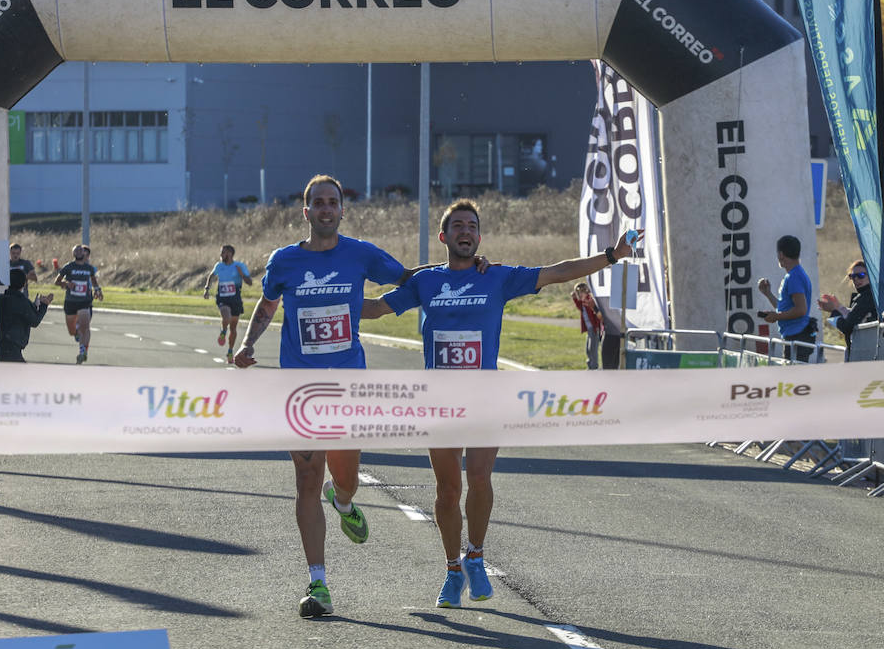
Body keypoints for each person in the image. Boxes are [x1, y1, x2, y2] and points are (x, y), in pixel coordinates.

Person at [362, 198, 637, 608]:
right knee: (446, 488)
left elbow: (559, 272)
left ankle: (475, 554)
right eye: (457, 226)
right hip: (440, 403)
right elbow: (377, 309)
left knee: (479, 479)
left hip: (485, 401)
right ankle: (452, 569)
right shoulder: (427, 283)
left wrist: (611, 255)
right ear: (444, 236)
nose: (465, 231)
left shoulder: (499, 277)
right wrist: (312, 303)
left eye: (472, 225)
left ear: (479, 235)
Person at [233, 174, 439, 619]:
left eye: (333, 202)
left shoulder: (360, 254)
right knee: (307, 478)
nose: (326, 209)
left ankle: (343, 500)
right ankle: (318, 583)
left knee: (344, 478)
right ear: (305, 211)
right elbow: (268, 306)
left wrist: (459, 270)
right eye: (318, 203)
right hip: (300, 390)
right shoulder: (284, 261)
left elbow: (406, 277)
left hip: (348, 388)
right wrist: (247, 343)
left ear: (342, 210)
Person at [757, 235, 818, 363]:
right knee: (793, 380)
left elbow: (801, 310)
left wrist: (776, 317)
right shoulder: (793, 275)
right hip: (795, 336)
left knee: (795, 380)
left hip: (797, 337)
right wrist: (768, 293)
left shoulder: (794, 277)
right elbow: (785, 308)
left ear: (781, 254)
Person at [202, 244, 252, 363]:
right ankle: (223, 331)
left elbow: (249, 282)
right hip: (222, 298)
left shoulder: (239, 266)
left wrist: (242, 275)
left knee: (233, 328)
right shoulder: (219, 266)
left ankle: (230, 351)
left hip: (235, 299)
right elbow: (211, 276)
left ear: (230, 253)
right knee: (226, 316)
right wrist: (207, 289)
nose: (221, 255)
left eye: (223, 252)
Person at [55, 244, 102, 364]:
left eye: (81, 250)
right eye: (77, 251)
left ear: (84, 254)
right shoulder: (69, 267)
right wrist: (66, 284)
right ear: (74, 254)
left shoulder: (89, 268)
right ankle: (75, 333)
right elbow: (57, 281)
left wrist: (97, 290)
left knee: (84, 326)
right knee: (71, 330)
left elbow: (93, 281)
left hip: (84, 301)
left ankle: (83, 351)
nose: (80, 252)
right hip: (71, 301)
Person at [0, 269, 53, 362]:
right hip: (12, 347)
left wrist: (34, 306)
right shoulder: (22, 302)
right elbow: (35, 321)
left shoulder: (2, 299)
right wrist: (44, 305)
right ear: (24, 284)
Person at [817, 259, 877, 347]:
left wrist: (834, 312)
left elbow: (847, 327)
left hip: (866, 351)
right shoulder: (869, 296)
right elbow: (855, 316)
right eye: (852, 276)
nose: (856, 279)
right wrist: (839, 307)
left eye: (861, 275)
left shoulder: (867, 297)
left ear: (871, 276)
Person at [570, 282, 604, 370]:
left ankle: (594, 366)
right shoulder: (583, 301)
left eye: (580, 293)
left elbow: (596, 315)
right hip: (589, 329)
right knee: (588, 349)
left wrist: (597, 327)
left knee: (592, 348)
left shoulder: (589, 300)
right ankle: (590, 364)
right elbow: (579, 306)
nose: (579, 295)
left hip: (594, 328)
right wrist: (574, 298)